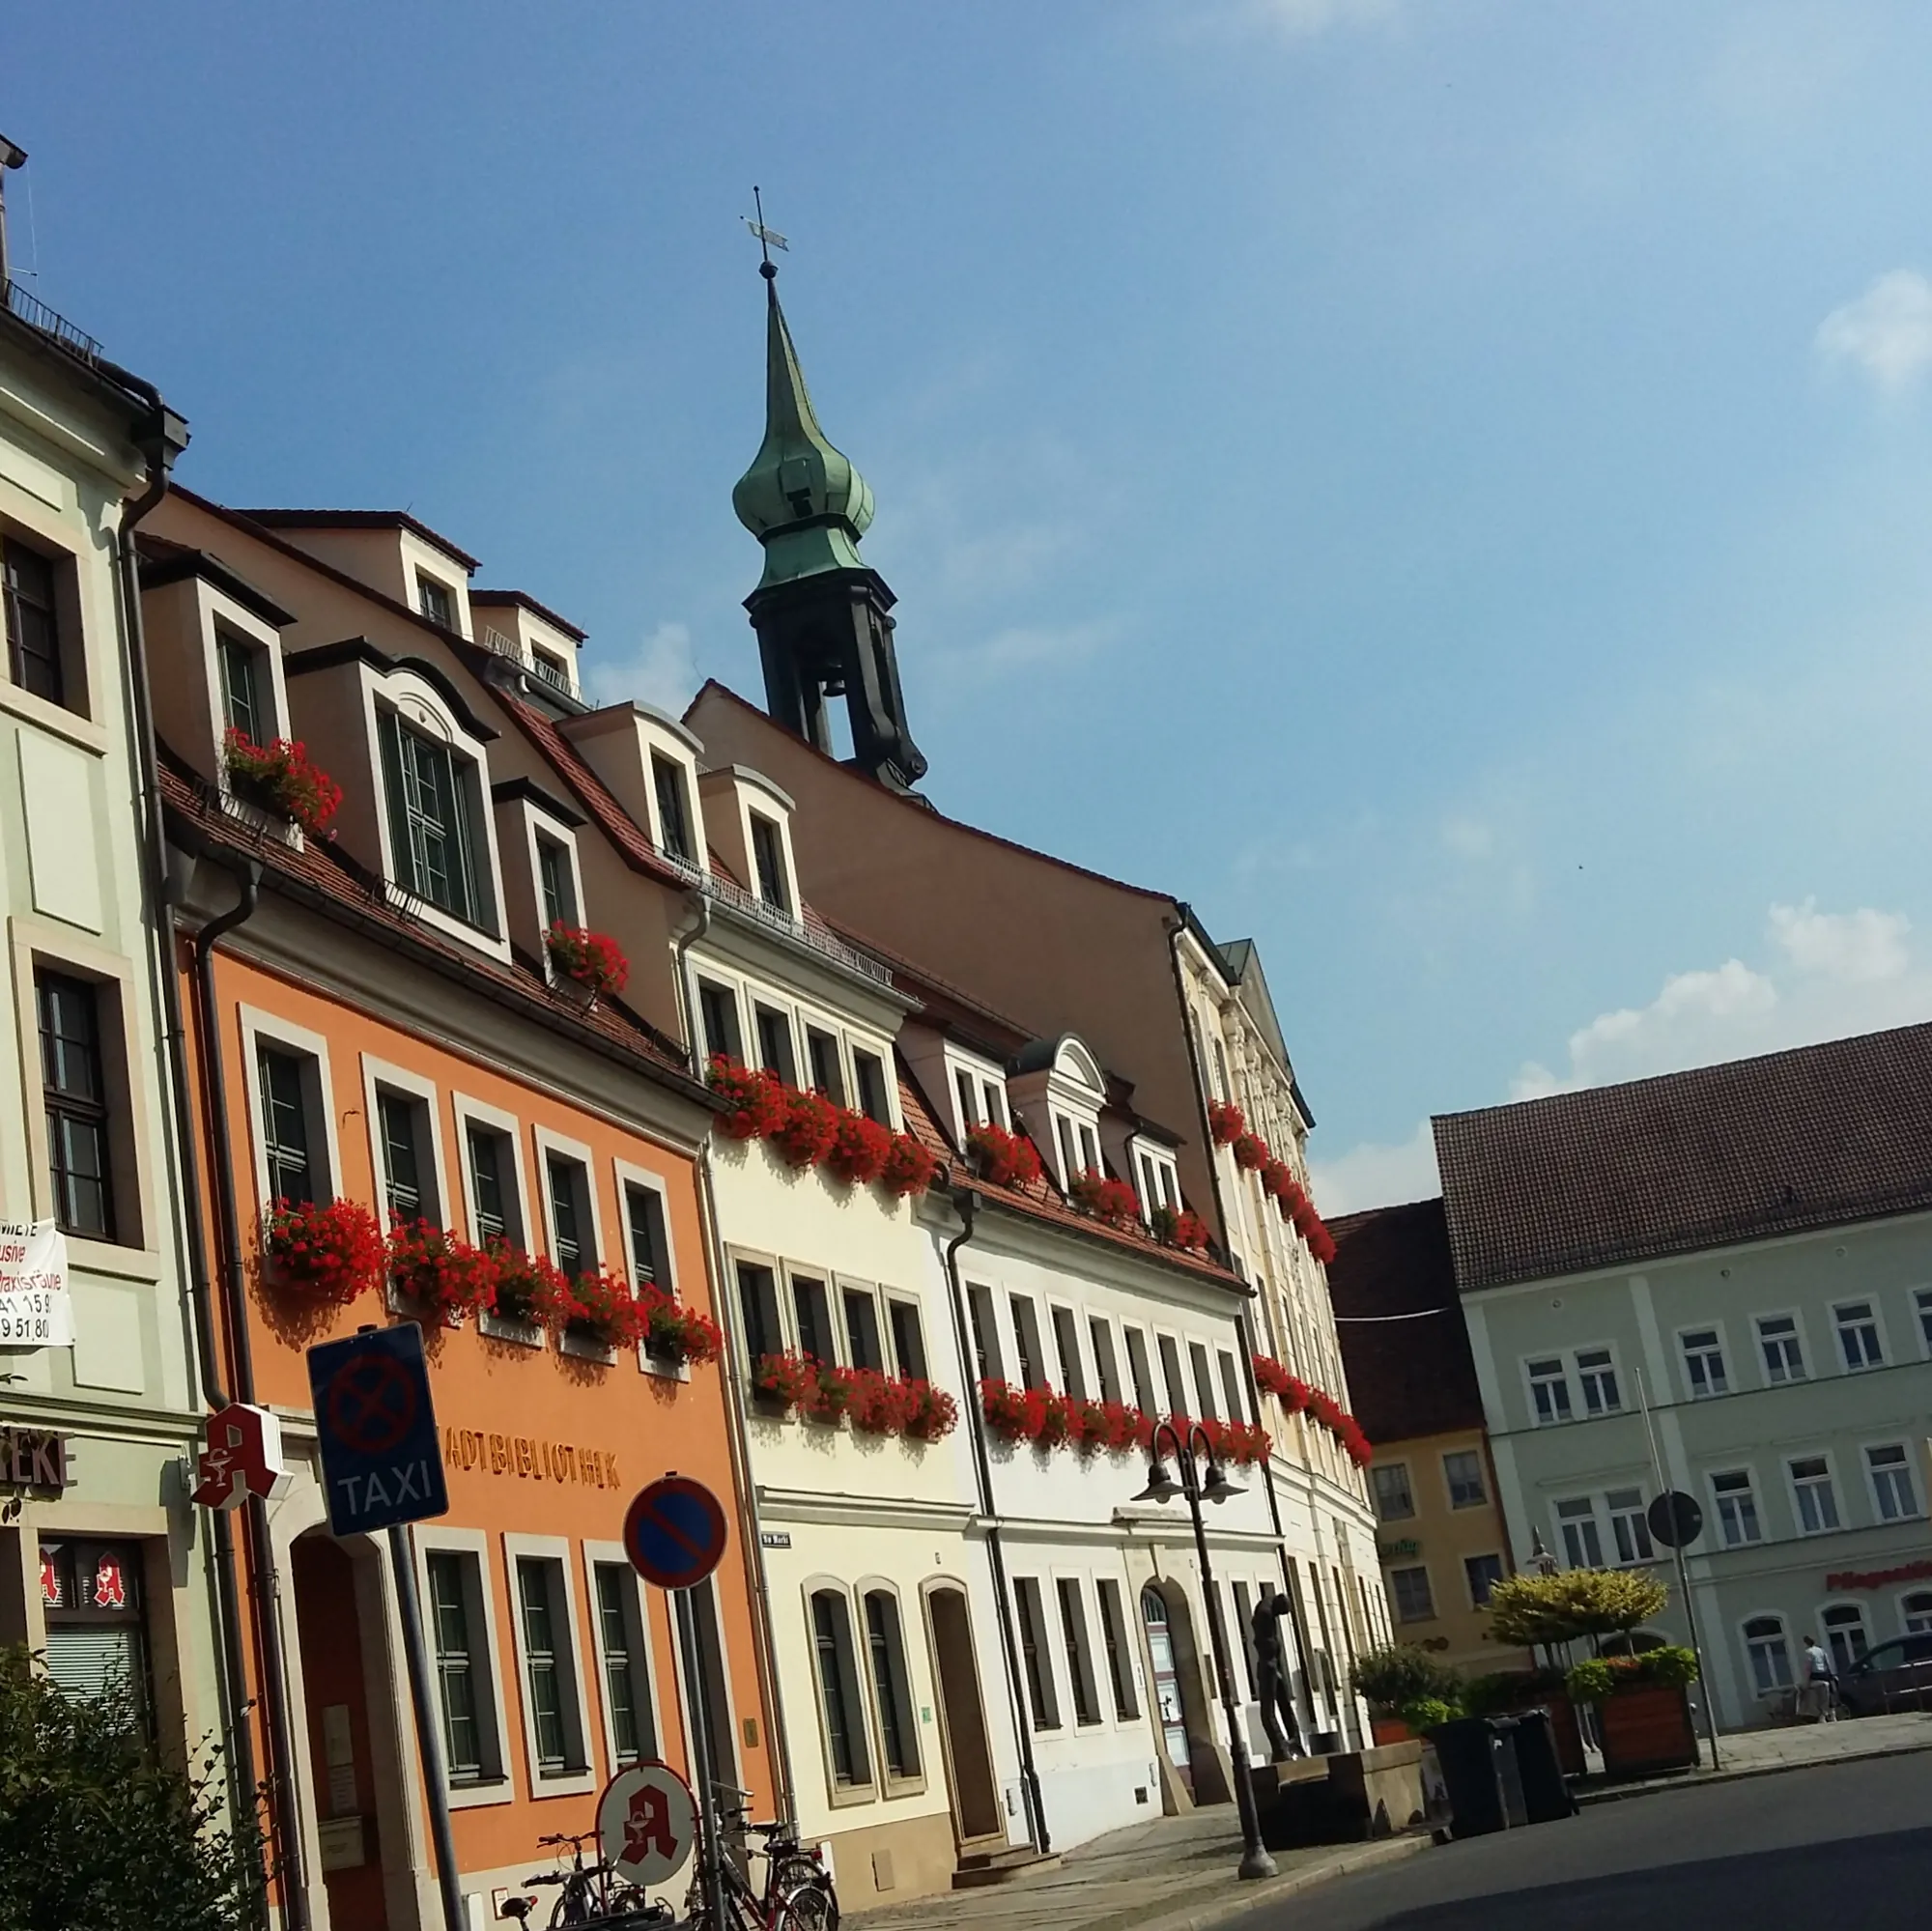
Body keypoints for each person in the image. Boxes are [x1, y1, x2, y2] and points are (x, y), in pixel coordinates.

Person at [1801, 1633, 1836, 1722]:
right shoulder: (1821, 1650)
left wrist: (1806, 1681)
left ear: (1806, 1643)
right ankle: (1832, 1714)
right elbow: (1827, 1662)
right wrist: (1831, 1674)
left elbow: (1808, 1667)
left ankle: (1822, 1715)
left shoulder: (1808, 1652)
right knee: (1829, 1694)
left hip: (1815, 1675)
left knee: (1818, 1695)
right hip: (1825, 1673)